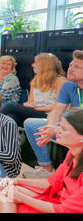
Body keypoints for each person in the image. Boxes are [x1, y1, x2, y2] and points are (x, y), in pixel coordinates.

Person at [0, 108, 83, 213]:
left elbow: (63, 210)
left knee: (10, 195)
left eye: (63, 129)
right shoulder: (72, 154)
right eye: (59, 126)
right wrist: (15, 180)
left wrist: (21, 197)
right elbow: (50, 182)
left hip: (63, 208)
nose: (56, 130)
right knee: (7, 191)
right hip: (59, 200)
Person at [23, 50, 83, 178]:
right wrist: (51, 127)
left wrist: (58, 129)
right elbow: (57, 111)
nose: (71, 69)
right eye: (71, 65)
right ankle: (47, 168)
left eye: (77, 67)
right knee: (31, 124)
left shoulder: (61, 81)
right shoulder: (69, 86)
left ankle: (71, 177)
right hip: (72, 128)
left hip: (78, 131)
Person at [0, 53, 67, 128]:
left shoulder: (60, 81)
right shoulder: (35, 81)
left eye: (35, 63)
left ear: (44, 65)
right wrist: (27, 104)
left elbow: (59, 106)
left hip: (50, 115)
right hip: (35, 112)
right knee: (11, 117)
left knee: (10, 106)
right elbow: (30, 102)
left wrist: (37, 108)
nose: (32, 65)